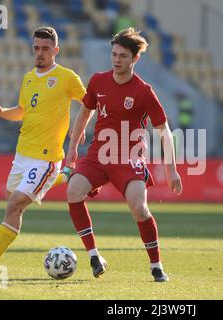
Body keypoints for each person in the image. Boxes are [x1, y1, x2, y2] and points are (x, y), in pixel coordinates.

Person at [65, 28, 182, 282]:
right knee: (73, 190)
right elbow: (85, 112)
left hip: (130, 156)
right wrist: (73, 145)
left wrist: (172, 168)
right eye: (114, 54)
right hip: (99, 153)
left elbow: (164, 130)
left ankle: (156, 266)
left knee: (140, 209)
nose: (117, 59)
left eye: (123, 56)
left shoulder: (143, 91)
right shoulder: (98, 80)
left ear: (135, 59)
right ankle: (95, 256)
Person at [0, 26, 87, 272]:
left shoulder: (67, 77)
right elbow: (22, 111)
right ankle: (61, 177)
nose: (40, 53)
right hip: (22, 154)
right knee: (11, 202)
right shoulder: (29, 78)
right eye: (36, 48)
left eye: (45, 49)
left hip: (46, 158)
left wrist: (80, 128)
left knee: (15, 205)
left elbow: (89, 103)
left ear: (56, 50)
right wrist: (1, 113)